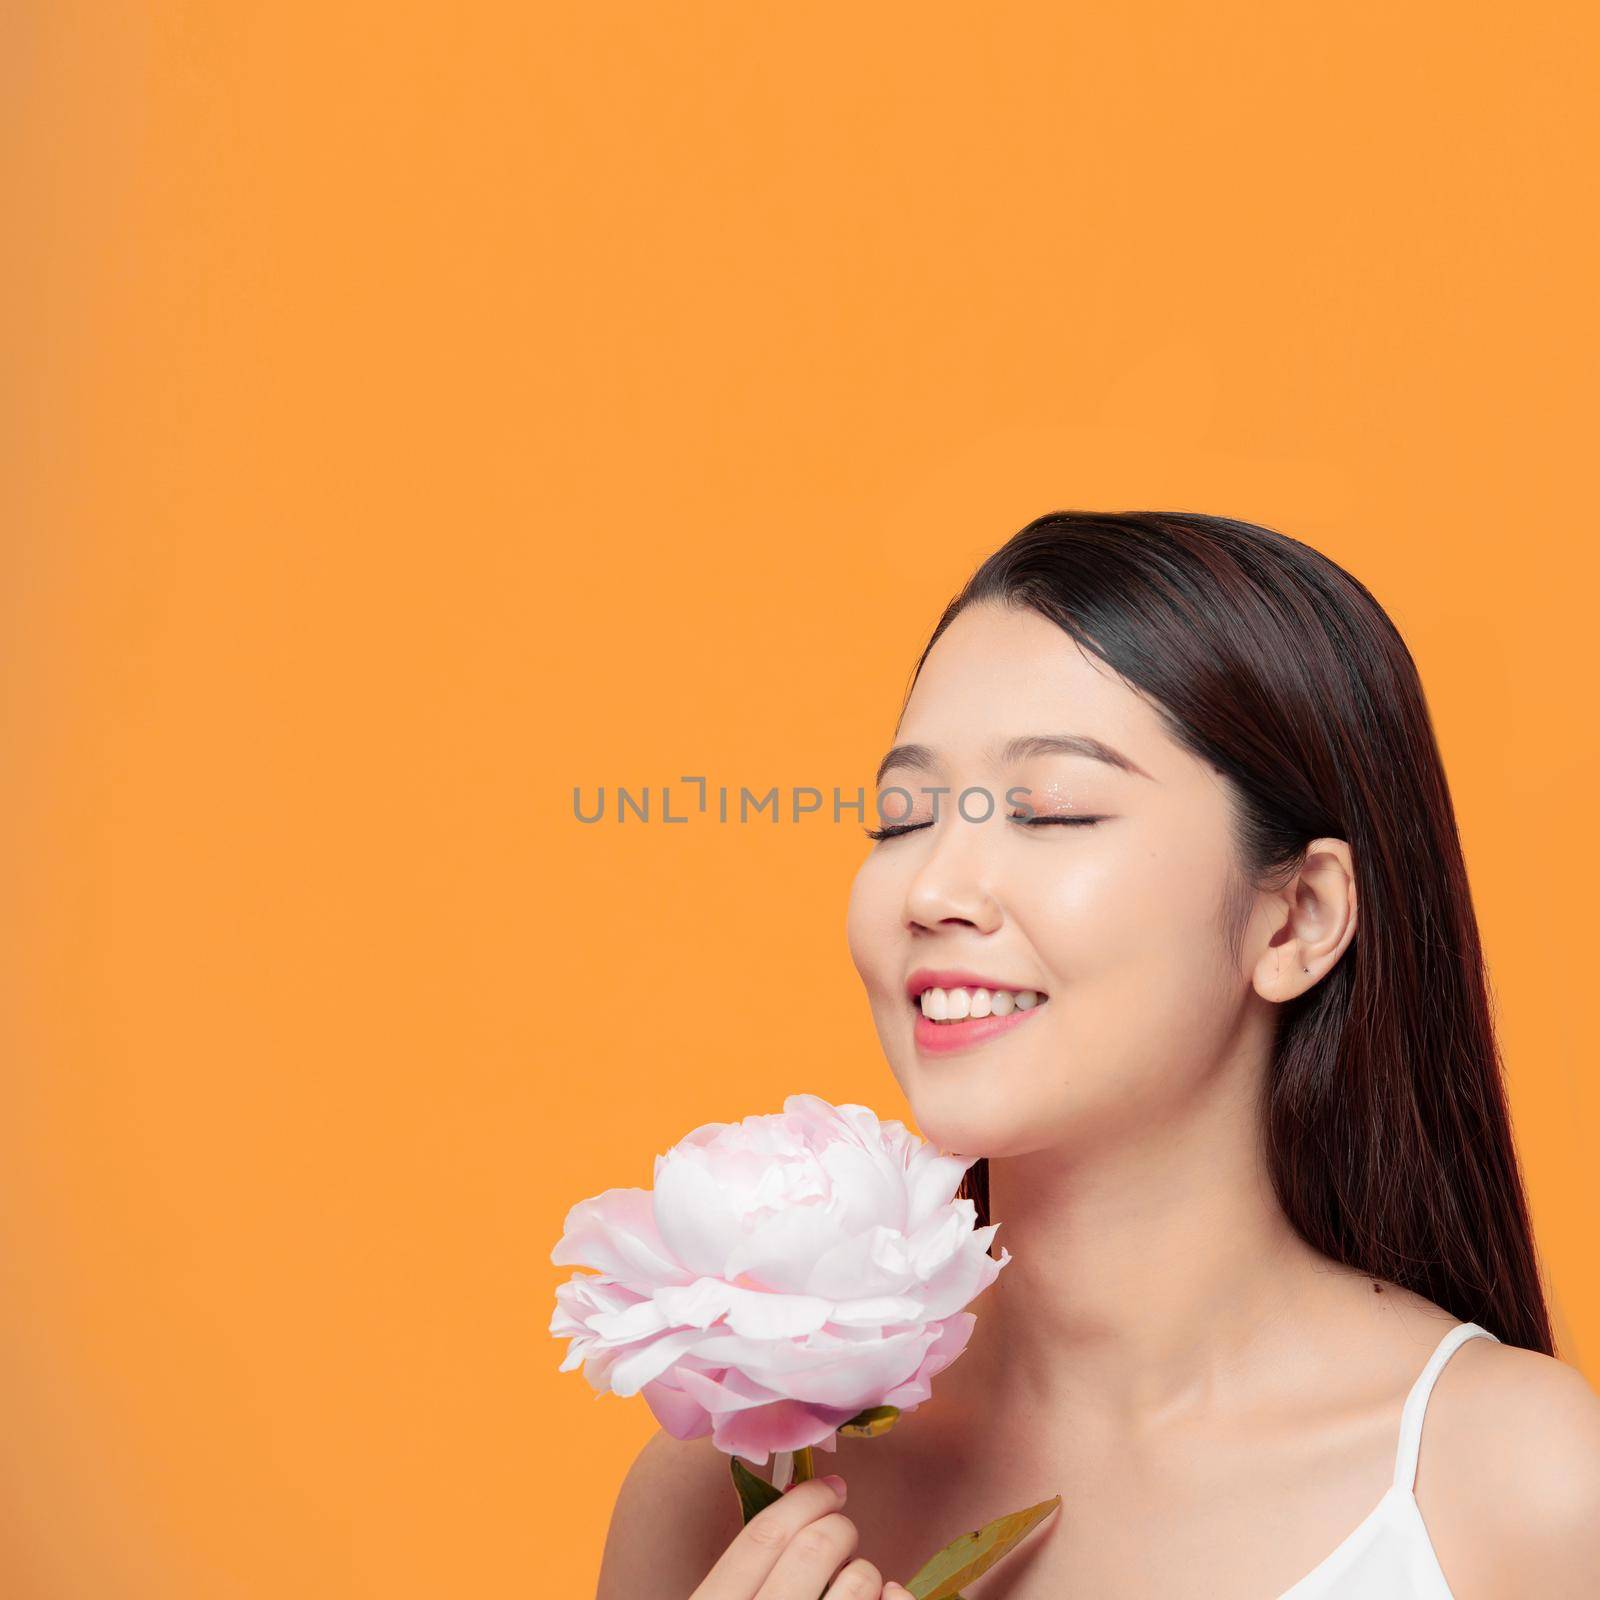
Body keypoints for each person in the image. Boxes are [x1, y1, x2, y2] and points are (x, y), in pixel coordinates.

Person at [596, 511, 1600, 1598]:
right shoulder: (730, 1492)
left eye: (1051, 811)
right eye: (901, 817)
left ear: (1296, 917)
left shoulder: (1515, 1486)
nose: (930, 890)